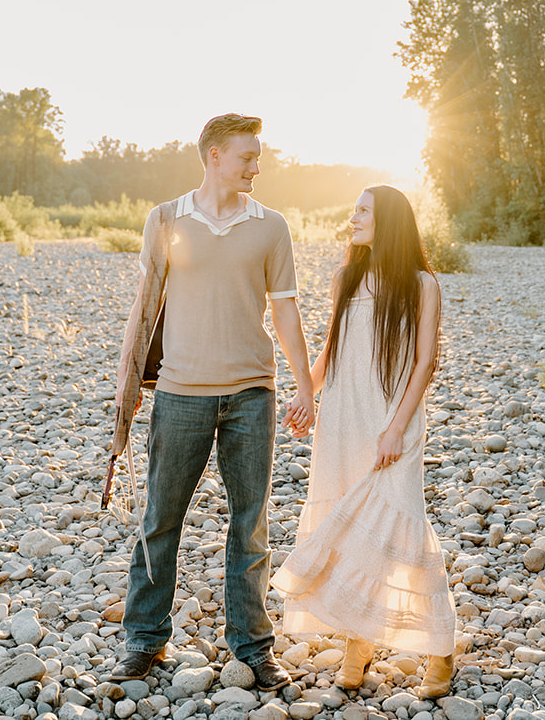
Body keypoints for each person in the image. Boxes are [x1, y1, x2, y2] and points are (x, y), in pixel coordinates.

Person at [109, 113, 316, 690]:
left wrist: (303, 386)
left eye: (259, 157)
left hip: (253, 393)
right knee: (160, 520)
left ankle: (253, 647)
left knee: (250, 525)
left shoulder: (272, 226)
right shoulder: (166, 219)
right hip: (179, 395)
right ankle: (144, 641)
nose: (257, 166)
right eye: (248, 156)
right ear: (215, 156)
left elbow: (286, 311)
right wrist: (124, 393)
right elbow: (145, 305)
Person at [271, 185, 456, 698]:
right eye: (352, 208)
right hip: (344, 419)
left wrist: (396, 426)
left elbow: (425, 362)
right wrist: (307, 394)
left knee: (403, 524)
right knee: (350, 529)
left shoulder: (422, 284)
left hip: (392, 419)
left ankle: (440, 650)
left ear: (390, 222)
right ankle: (359, 640)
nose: (352, 217)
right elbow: (331, 344)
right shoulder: (345, 278)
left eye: (363, 211)